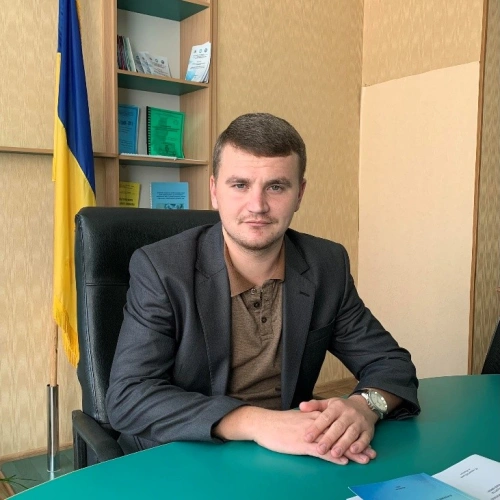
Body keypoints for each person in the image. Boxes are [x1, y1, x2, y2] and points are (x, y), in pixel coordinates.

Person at [106, 112, 419, 465]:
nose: (258, 206)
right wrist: (256, 422)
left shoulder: (326, 264)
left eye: (276, 186)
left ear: (300, 194)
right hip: (185, 453)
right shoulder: (161, 268)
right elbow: (129, 396)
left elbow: (391, 363)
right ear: (214, 191)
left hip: (286, 455)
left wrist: (363, 407)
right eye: (240, 185)